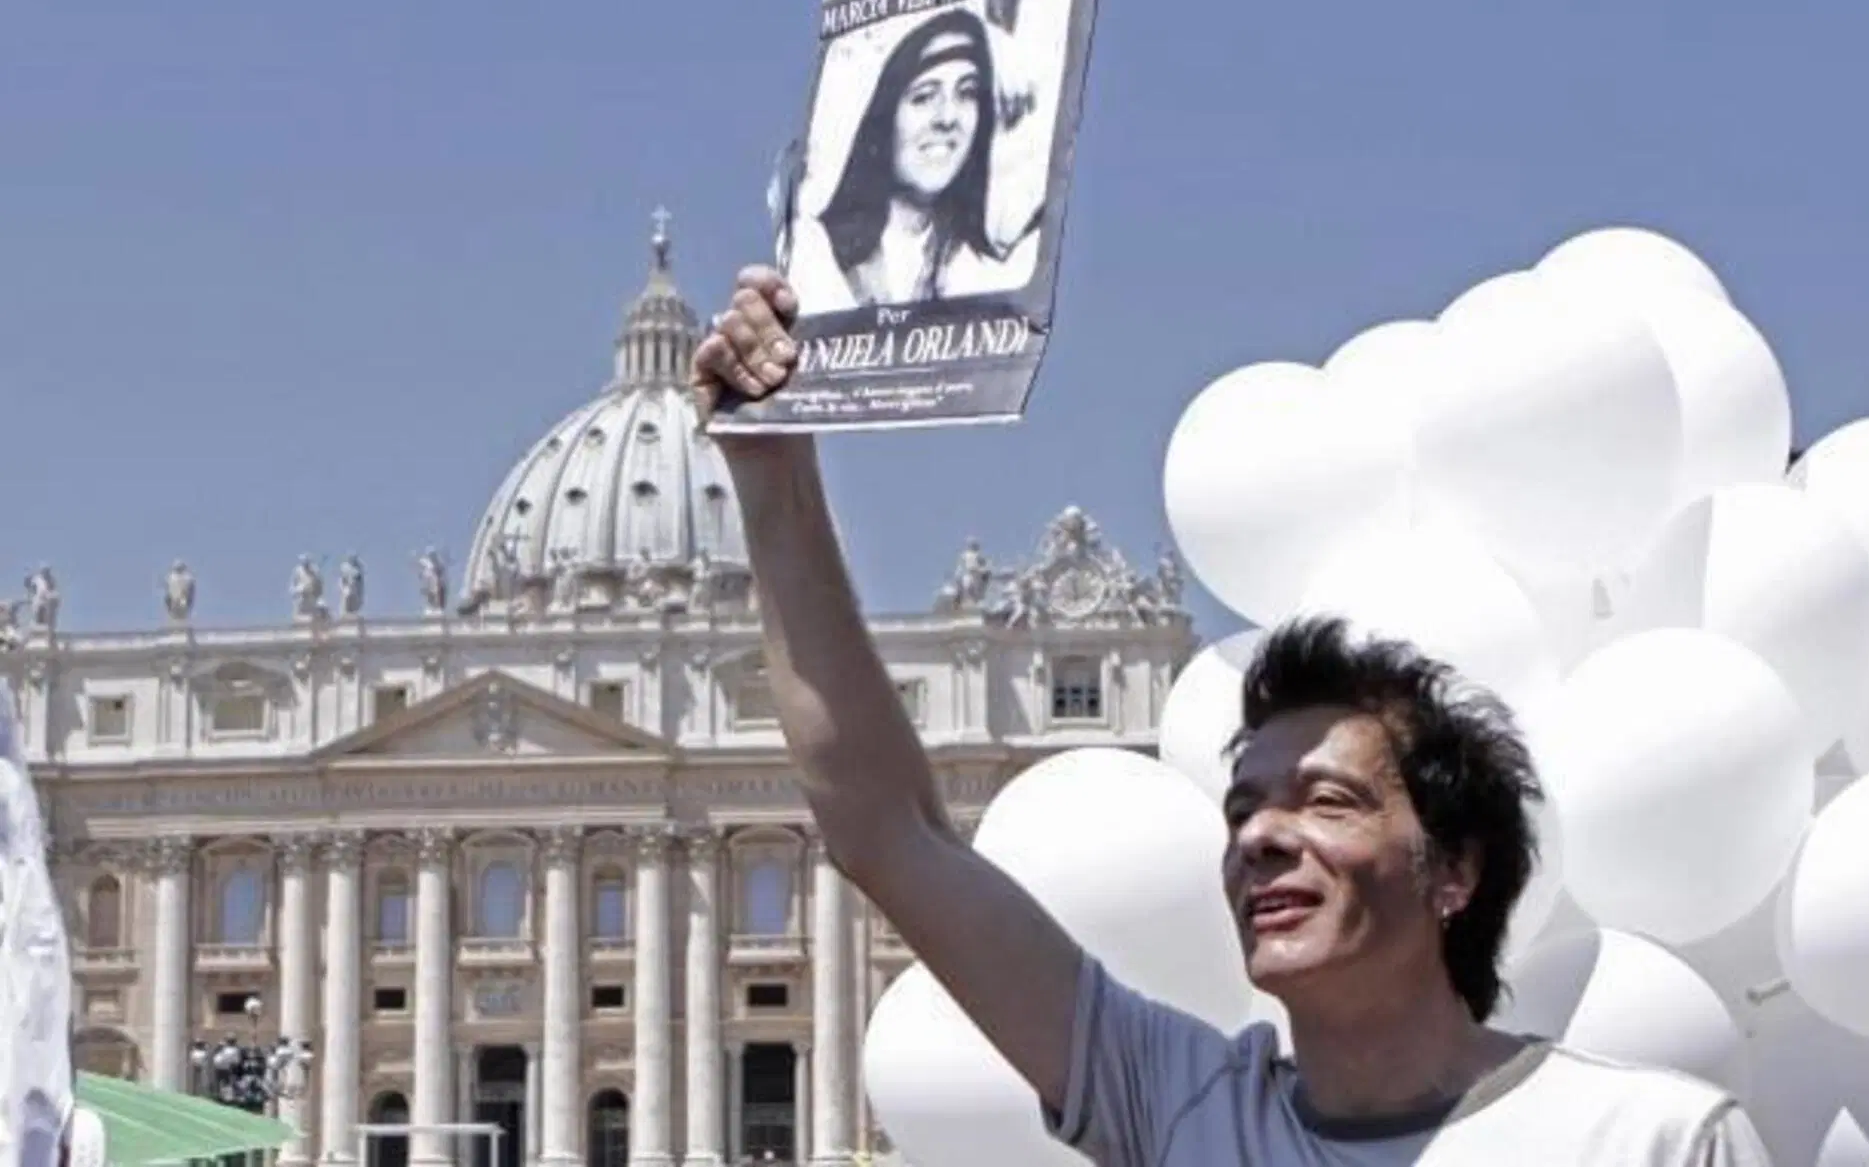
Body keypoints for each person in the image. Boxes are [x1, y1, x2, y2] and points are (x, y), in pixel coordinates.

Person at [690, 266, 1775, 1167]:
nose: (1261, 835)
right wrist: (773, 475)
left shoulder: (1656, 1140)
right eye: (1243, 808)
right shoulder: (1180, 1109)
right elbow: (891, 835)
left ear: (1454, 869)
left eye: (1327, 800)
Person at [790, 7, 1039, 312]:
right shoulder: (810, 256)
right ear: (877, 116)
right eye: (923, 96)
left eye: (967, 93)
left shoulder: (982, 273)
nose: (947, 117)